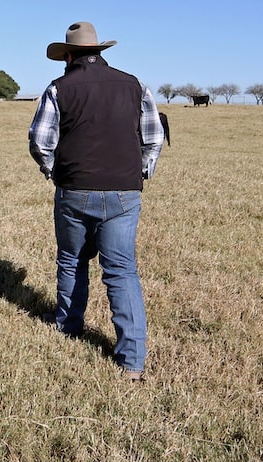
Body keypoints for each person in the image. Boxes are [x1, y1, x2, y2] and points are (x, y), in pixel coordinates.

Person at [28, 21, 164, 381]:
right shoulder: (135, 85)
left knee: (72, 260)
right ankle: (132, 362)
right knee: (121, 271)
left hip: (74, 191)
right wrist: (141, 174)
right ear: (100, 52)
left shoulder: (58, 88)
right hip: (125, 192)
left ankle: (68, 331)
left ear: (69, 55)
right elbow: (154, 138)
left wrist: (56, 173)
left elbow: (41, 142)